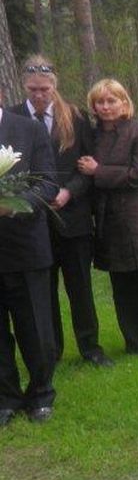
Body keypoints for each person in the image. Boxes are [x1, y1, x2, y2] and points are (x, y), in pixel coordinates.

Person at [16, 56, 110, 367]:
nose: (39, 95)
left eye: (44, 89)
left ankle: (90, 347)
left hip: (73, 220)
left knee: (80, 288)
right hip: (33, 223)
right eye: (33, 89)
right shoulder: (14, 119)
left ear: (54, 86)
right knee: (44, 293)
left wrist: (69, 191)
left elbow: (88, 167)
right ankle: (51, 351)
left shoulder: (75, 117)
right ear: (24, 86)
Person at [77, 78, 138, 356]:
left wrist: (99, 171)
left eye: (111, 100)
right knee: (122, 283)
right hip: (109, 218)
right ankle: (133, 341)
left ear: (124, 102)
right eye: (100, 102)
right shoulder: (92, 136)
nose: (106, 107)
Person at [0, 96, 58, 425]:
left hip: (24, 246)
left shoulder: (30, 130)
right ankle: (6, 398)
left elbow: (47, 183)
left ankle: (40, 394)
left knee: (35, 327)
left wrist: (12, 206)